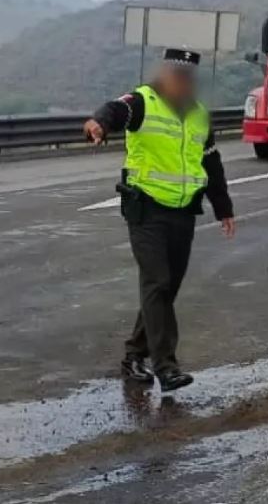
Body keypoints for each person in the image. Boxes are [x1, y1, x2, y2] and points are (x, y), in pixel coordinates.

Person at [83, 48, 236, 392]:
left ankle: (134, 354)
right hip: (146, 208)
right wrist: (98, 122)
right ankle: (166, 367)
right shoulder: (142, 101)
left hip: (183, 211)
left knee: (166, 288)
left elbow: (211, 163)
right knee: (158, 281)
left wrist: (223, 207)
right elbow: (115, 110)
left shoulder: (198, 114)